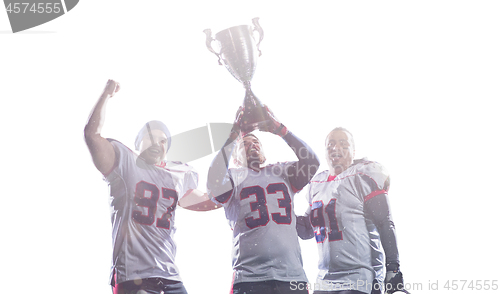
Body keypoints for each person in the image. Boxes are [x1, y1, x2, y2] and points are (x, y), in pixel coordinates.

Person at [84, 79, 218, 294]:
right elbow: (92, 135)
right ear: (138, 143)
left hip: (170, 276)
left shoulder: (177, 175)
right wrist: (106, 95)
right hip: (133, 276)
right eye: (151, 138)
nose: (157, 143)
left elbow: (211, 201)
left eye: (163, 141)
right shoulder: (124, 162)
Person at [207, 106, 320, 294]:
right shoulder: (234, 177)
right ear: (234, 158)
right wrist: (233, 135)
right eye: (245, 143)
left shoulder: (282, 172)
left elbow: (312, 162)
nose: (253, 145)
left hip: (292, 276)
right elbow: (214, 180)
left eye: (257, 142)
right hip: (250, 277)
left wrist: (280, 130)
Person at [296, 127, 406, 294]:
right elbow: (305, 231)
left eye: (343, 143)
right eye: (330, 144)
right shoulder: (317, 184)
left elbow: (385, 222)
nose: (336, 147)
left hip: (360, 278)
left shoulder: (363, 175)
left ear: (354, 151)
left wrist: (393, 267)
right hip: (324, 281)